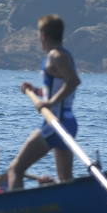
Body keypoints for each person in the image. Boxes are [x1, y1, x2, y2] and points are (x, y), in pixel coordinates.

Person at [6, 14, 79, 191]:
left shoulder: (55, 55)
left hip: (55, 124)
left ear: (44, 35)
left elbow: (73, 81)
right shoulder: (64, 55)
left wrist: (50, 102)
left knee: (15, 169)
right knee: (65, 181)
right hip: (68, 123)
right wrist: (37, 91)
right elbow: (59, 86)